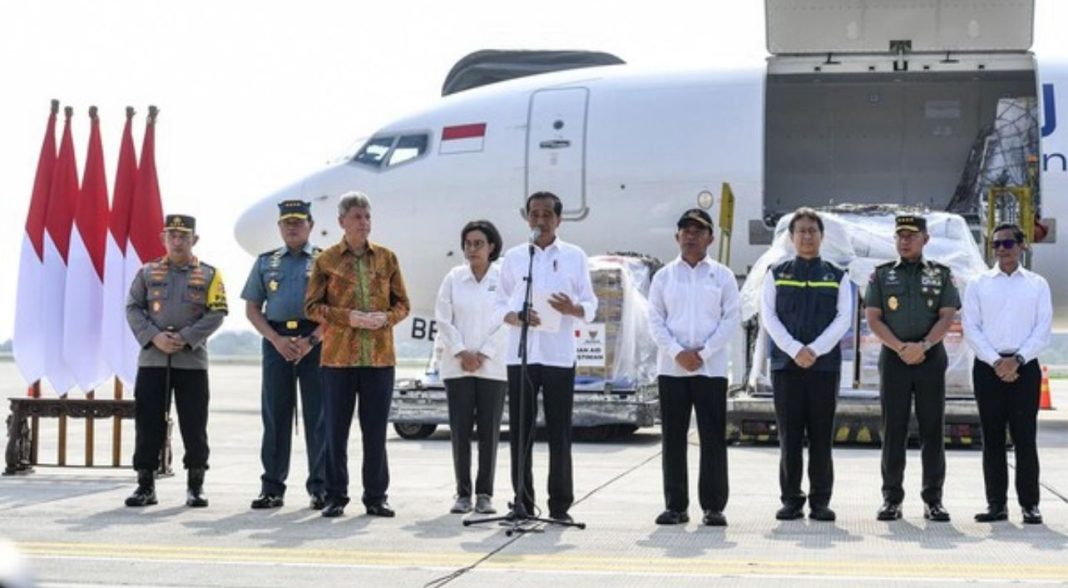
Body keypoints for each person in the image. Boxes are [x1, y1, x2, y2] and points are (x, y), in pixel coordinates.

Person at [304, 191, 410, 518]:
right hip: (338, 360)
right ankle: (335, 496)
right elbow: (311, 307)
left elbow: (403, 304)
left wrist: (387, 318)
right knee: (336, 432)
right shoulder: (326, 260)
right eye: (356, 217)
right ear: (341, 222)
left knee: (375, 431)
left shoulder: (387, 258)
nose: (363, 223)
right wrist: (346, 317)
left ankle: (376, 496)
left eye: (367, 216)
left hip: (379, 359)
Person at [493, 191, 597, 523]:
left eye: (547, 214)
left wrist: (573, 308)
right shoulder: (514, 256)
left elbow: (592, 306)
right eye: (534, 214)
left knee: (559, 433)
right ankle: (521, 502)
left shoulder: (574, 255)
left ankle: (560, 506)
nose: (540, 220)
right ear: (527, 218)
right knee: (520, 432)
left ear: (559, 219)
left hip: (558, 356)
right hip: (521, 353)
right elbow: (498, 304)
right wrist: (516, 316)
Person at [125, 214, 228, 508]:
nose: (178, 240)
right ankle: (145, 485)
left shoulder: (210, 275)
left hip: (191, 361)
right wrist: (154, 336)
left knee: (194, 425)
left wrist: (185, 337)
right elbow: (132, 307)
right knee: (148, 424)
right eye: (172, 235)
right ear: (163, 238)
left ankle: (195, 486)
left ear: (194, 240)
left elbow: (217, 312)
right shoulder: (147, 273)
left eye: (184, 236)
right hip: (153, 360)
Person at [865, 214, 960, 522]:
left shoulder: (941, 274)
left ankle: (934, 499)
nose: (904, 241)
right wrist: (901, 348)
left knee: (933, 428)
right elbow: (874, 318)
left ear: (925, 239)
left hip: (930, 358)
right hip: (895, 358)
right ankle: (891, 498)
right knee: (893, 429)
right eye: (900, 236)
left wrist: (924, 347)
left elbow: (947, 316)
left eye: (911, 235)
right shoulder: (881, 276)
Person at [648, 209, 739, 527]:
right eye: (685, 230)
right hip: (672, 368)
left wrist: (705, 351)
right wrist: (677, 352)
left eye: (698, 231)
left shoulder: (723, 276)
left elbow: (731, 319)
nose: (690, 236)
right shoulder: (663, 276)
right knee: (673, 438)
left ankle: (713, 507)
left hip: (710, 369)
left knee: (712, 437)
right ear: (676, 237)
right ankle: (676, 506)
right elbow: (655, 321)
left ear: (710, 238)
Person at [759, 208, 852, 522]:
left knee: (822, 436)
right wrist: (795, 349)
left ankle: (821, 501)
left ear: (822, 237)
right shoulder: (776, 273)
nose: (807, 236)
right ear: (791, 236)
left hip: (824, 368)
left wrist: (815, 349)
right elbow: (769, 317)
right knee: (790, 436)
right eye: (801, 231)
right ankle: (791, 500)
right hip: (787, 366)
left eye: (813, 231)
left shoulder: (837, 275)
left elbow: (844, 319)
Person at [962, 223, 1052, 525]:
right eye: (996, 244)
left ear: (1022, 246)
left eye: (1008, 243)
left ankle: (1030, 504)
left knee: (1025, 438)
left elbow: (1043, 329)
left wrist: (1018, 359)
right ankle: (996, 504)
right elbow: (971, 328)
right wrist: (996, 362)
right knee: (993, 438)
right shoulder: (978, 283)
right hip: (988, 369)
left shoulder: (1038, 284)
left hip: (1025, 367)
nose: (1002, 249)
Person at [241, 200, 326, 511]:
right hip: (276, 342)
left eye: (298, 221)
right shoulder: (266, 262)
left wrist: (312, 340)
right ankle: (272, 488)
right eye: (287, 222)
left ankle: (321, 487)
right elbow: (252, 308)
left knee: (319, 418)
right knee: (276, 417)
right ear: (279, 227)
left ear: (311, 225)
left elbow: (335, 309)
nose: (292, 227)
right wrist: (276, 340)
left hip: (314, 343)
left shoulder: (324, 261)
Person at [434, 220, 508, 515]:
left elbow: (507, 319)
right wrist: (462, 352)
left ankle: (485, 494)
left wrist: (484, 353)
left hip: (492, 367)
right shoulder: (454, 277)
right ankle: (463, 493)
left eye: (479, 243)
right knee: (460, 431)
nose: (472, 249)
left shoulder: (504, 278)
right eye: (468, 244)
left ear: (492, 247)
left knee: (489, 432)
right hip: (458, 366)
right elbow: (443, 318)